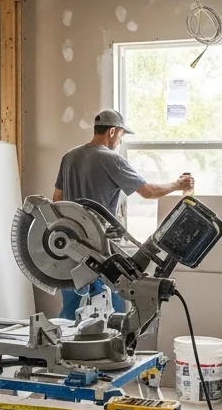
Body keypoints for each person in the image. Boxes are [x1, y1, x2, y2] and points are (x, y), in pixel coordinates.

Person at [53, 109, 194, 321]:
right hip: (101, 251)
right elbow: (148, 192)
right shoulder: (111, 159)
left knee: (71, 315)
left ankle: (64, 350)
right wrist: (178, 184)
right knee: (113, 314)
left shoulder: (69, 157)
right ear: (112, 132)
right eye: (121, 134)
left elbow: (56, 200)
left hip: (70, 250)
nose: (121, 140)